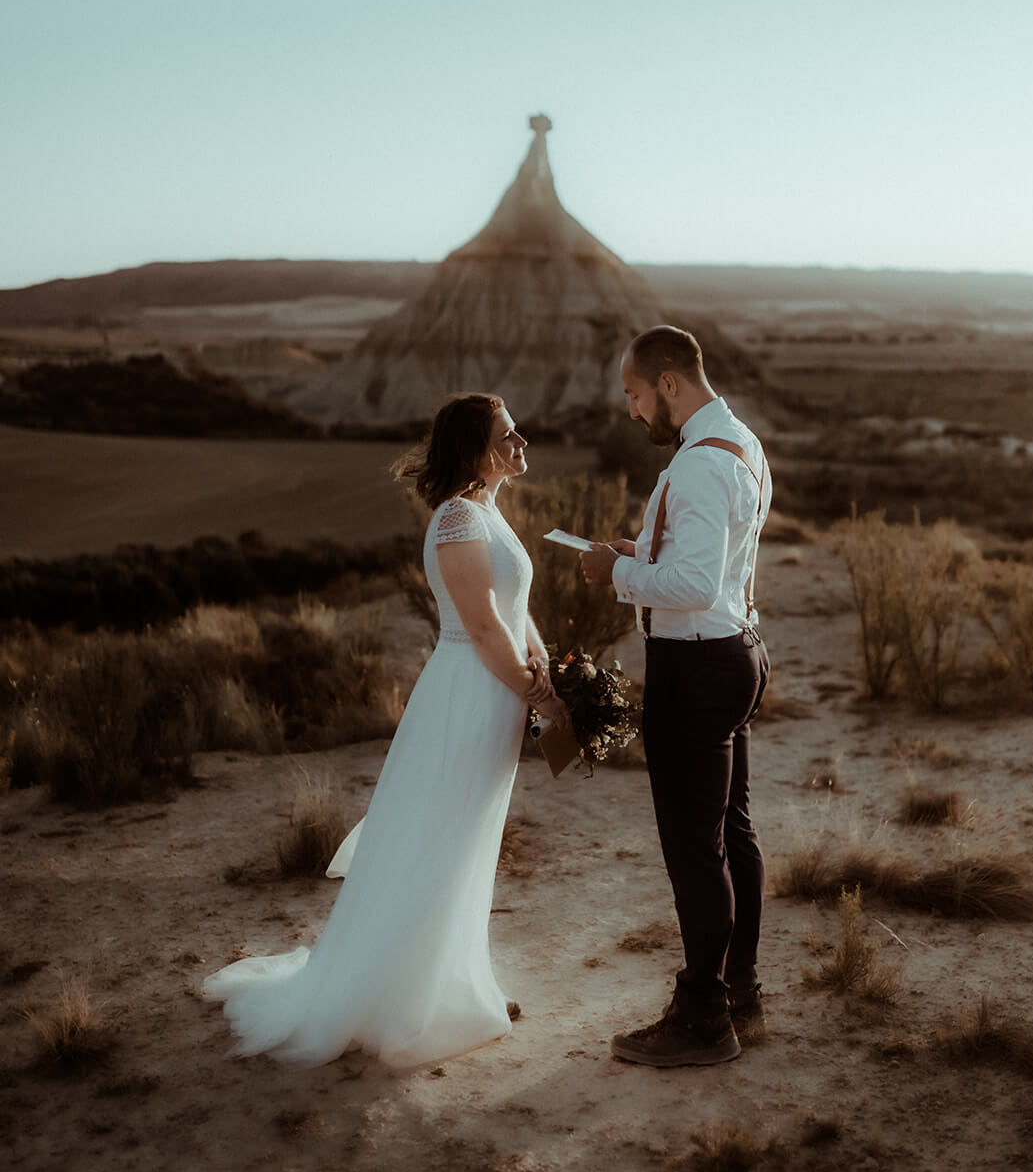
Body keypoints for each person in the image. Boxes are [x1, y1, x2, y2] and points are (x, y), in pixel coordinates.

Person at [203, 393, 565, 1069]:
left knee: (468, 837)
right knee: (442, 836)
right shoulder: (457, 518)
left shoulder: (485, 509)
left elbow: (513, 608)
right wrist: (535, 692)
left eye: (519, 431)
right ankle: (411, 1000)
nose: (522, 443)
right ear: (474, 450)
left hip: (496, 688)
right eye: (508, 434)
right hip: (468, 693)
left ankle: (453, 979)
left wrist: (543, 656)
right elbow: (482, 626)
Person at [580, 326, 771, 1068]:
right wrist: (641, 552)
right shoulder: (742, 442)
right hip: (738, 652)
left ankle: (700, 1018)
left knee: (695, 850)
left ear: (666, 383)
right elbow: (712, 566)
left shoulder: (694, 466)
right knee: (732, 834)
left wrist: (615, 574)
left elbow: (692, 586)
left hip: (695, 668)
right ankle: (739, 990)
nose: (632, 412)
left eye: (633, 395)